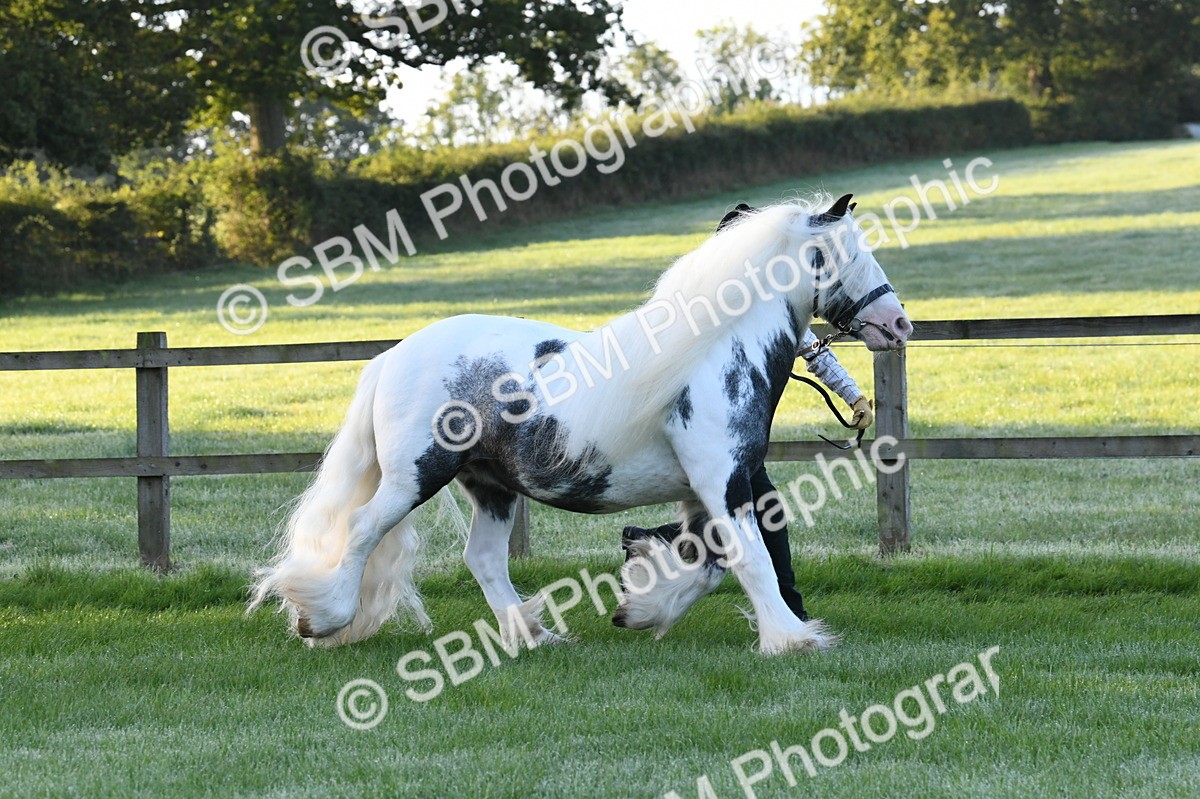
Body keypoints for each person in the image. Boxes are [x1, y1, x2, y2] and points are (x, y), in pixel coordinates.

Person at [619, 204, 872, 622]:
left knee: (745, 517)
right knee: (762, 516)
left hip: (739, 442)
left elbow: (811, 349)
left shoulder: (769, 311)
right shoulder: (708, 309)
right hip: (715, 440)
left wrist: (853, 396)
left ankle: (647, 543)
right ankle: (789, 612)